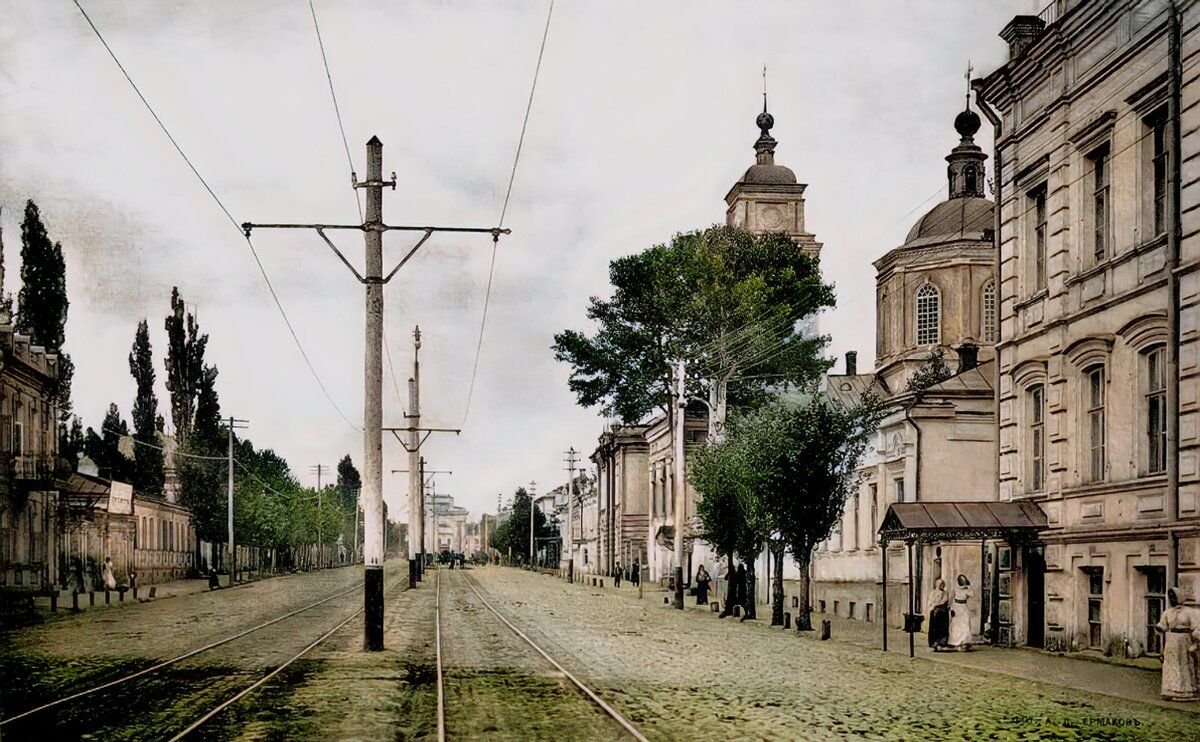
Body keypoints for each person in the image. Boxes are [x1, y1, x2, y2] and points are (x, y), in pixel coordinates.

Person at [1156, 587, 1200, 701]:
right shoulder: (1167, 612)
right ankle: (1170, 690)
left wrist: (1196, 641)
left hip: (1184, 640)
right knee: (1171, 664)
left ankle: (1186, 691)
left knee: (1184, 663)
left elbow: (1195, 628)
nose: (1172, 599)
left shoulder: (1190, 612)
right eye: (1170, 597)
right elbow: (1162, 626)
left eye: (1174, 597)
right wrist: (1160, 629)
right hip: (1171, 640)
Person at [948, 574, 974, 650]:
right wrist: (950, 608)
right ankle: (955, 642)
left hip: (964, 606)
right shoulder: (955, 589)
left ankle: (964, 641)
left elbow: (972, 595)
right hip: (956, 606)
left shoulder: (967, 589)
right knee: (956, 624)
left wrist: (968, 587)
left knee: (965, 623)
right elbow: (951, 598)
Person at [926, 578, 950, 651]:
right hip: (935, 612)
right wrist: (933, 606)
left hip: (943, 612)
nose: (942, 586)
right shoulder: (933, 593)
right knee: (934, 628)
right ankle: (933, 643)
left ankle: (941, 643)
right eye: (940, 584)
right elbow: (930, 602)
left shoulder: (945, 593)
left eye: (943, 584)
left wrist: (936, 604)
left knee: (943, 628)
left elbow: (944, 601)